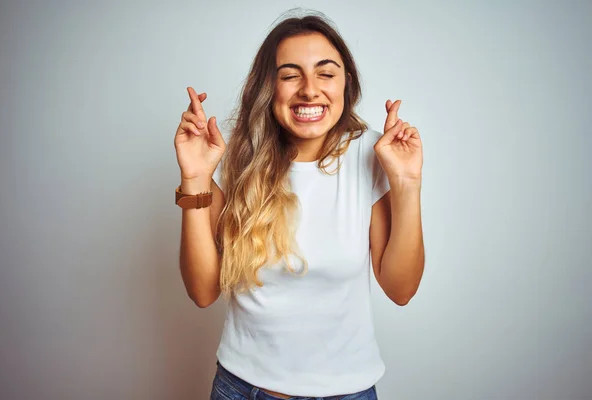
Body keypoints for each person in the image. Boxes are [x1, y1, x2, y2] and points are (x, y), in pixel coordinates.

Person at [174, 11, 425, 400]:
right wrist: (195, 178)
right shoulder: (238, 156)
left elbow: (401, 289)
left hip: (347, 393)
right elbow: (203, 291)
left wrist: (407, 183)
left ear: (347, 83)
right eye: (290, 75)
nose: (310, 90)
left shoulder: (372, 154)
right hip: (241, 389)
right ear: (268, 88)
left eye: (326, 73)